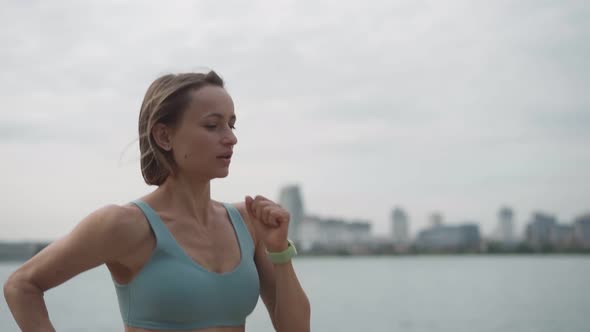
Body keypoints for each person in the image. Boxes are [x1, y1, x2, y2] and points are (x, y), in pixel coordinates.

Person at [3, 70, 311, 332]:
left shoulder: (247, 223)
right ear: (164, 137)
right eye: (212, 125)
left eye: (232, 124)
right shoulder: (124, 224)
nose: (230, 137)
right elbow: (21, 286)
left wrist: (279, 251)